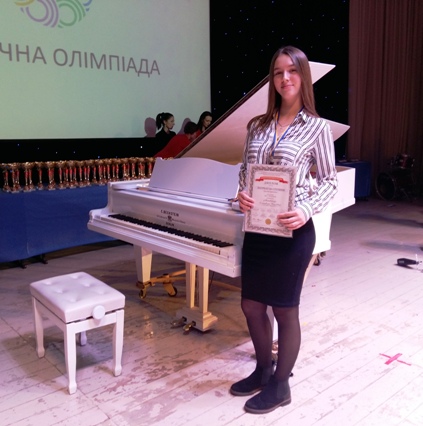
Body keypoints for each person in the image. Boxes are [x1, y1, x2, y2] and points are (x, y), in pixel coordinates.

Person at [230, 46, 338, 414]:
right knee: (250, 305)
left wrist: (306, 209)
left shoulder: (317, 128)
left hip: (293, 232)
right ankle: (263, 369)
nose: (285, 78)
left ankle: (281, 385)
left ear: (303, 76)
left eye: (292, 71)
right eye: (278, 72)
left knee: (284, 310)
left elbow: (329, 181)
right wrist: (242, 193)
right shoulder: (257, 126)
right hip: (258, 230)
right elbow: (244, 171)